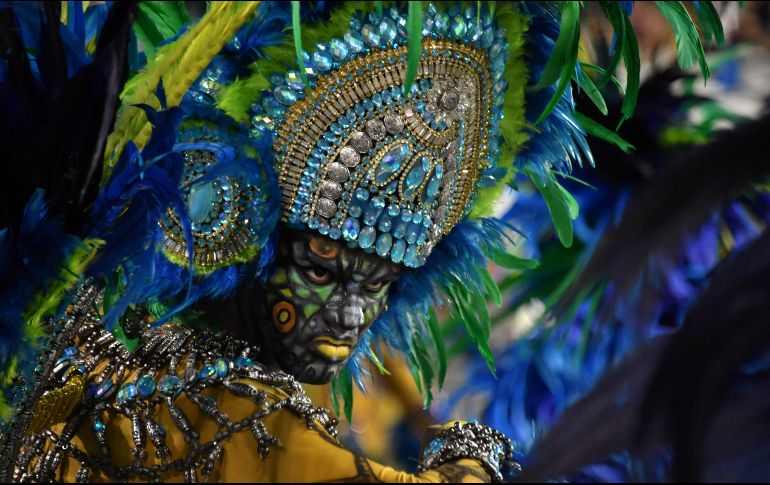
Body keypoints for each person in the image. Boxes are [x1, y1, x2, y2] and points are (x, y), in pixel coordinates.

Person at [0, 1, 720, 482]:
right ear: (239, 221)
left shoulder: (114, 332)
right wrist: (472, 454)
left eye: (377, 282)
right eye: (324, 266)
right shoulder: (221, 404)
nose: (348, 315)